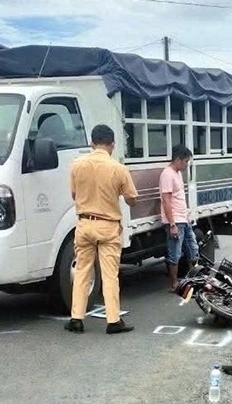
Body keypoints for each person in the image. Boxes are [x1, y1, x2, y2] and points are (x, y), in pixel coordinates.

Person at [65, 124, 138, 335]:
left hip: (84, 224)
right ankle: (113, 320)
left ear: (91, 143)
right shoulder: (118, 168)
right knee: (110, 275)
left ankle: (76, 318)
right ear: (112, 144)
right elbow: (132, 199)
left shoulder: (77, 165)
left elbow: (74, 195)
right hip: (108, 226)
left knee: (82, 272)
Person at [160, 144, 198, 292]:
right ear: (178, 159)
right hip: (175, 220)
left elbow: (179, 197)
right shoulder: (167, 174)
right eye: (185, 161)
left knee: (192, 248)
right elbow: (166, 200)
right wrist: (172, 224)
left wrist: (186, 216)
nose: (186, 164)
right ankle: (174, 283)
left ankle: (192, 279)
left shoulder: (177, 173)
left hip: (183, 218)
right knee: (175, 253)